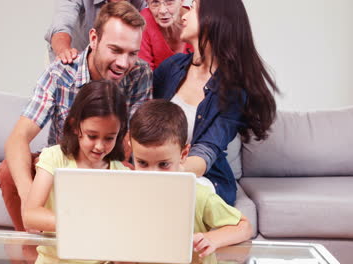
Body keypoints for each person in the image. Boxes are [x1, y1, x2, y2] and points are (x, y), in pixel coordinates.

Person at [0, 1, 152, 232]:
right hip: (59, 164)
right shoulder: (60, 73)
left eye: (132, 53)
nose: (124, 63)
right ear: (93, 39)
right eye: (116, 50)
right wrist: (30, 202)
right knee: (9, 169)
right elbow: (17, 138)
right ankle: (30, 248)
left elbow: (131, 142)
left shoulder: (140, 74)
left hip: (108, 164)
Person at [153, 0, 279, 205]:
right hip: (160, 171)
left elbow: (204, 153)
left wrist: (158, 174)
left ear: (212, 19)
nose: (183, 15)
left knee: (176, 195)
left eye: (193, 9)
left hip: (204, 178)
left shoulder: (233, 90)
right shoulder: (171, 68)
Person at [129, 99, 252, 259]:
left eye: (164, 164)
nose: (154, 174)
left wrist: (212, 239)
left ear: (184, 154)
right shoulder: (128, 194)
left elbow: (244, 227)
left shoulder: (199, 195)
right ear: (131, 149)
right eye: (142, 163)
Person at [23, 80, 129, 263]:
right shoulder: (55, 158)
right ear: (74, 126)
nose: (99, 146)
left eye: (109, 138)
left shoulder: (119, 171)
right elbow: (31, 215)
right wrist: (79, 223)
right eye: (92, 136)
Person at [45, 0, 146, 63]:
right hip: (76, 61)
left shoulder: (141, 3)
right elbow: (61, 24)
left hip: (116, 66)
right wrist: (64, 52)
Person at [138, 0, 192, 70]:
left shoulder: (198, 20)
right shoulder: (144, 22)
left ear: (181, 1)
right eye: (155, 2)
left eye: (169, 1)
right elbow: (144, 73)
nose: (162, 11)